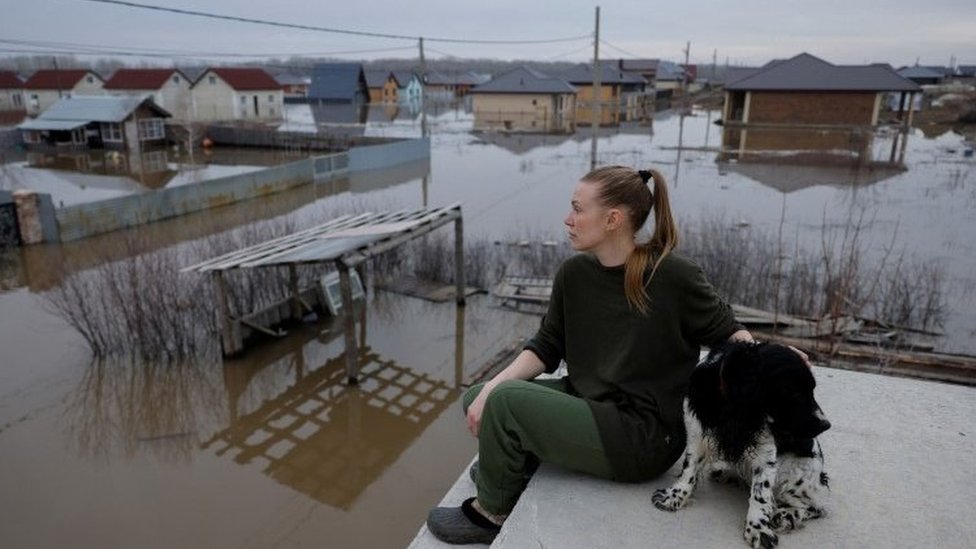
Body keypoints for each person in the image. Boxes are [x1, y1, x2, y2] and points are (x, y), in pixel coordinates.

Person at [426, 165, 758, 544]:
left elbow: (731, 335)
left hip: (643, 437)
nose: (568, 220)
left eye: (577, 209)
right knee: (480, 396)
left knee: (505, 405)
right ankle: (513, 462)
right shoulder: (574, 273)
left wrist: (773, 364)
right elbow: (547, 345)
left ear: (613, 219)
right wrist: (490, 389)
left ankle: (490, 513)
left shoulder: (673, 276)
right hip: (590, 402)